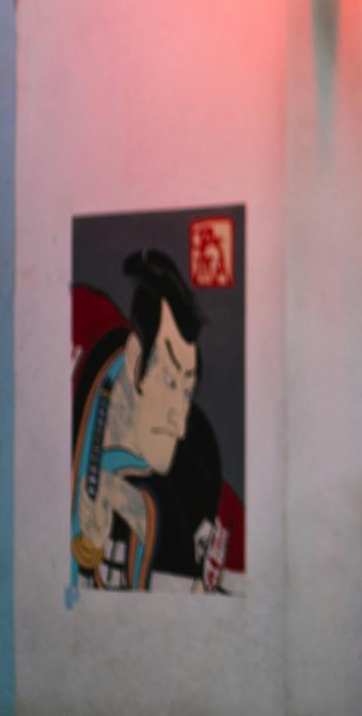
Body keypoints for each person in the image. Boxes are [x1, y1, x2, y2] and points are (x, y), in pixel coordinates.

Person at [70, 248, 227, 593]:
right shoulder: (86, 384)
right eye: (169, 381)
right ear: (136, 358)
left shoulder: (195, 467)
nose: (178, 423)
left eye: (186, 391)